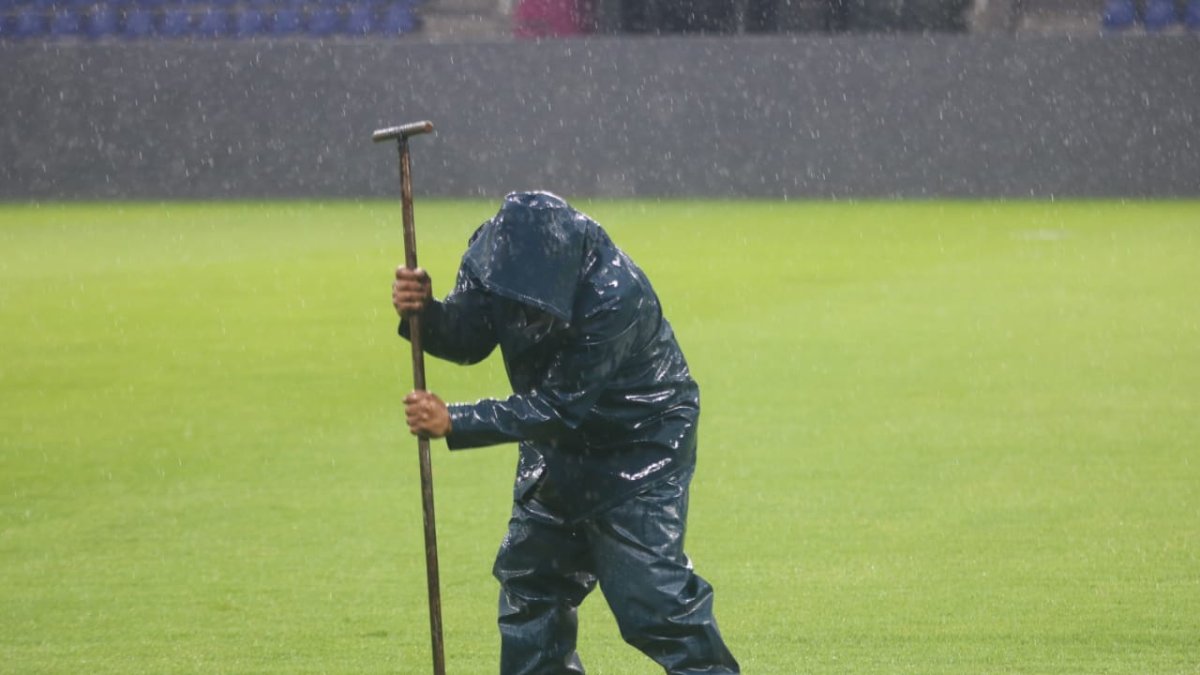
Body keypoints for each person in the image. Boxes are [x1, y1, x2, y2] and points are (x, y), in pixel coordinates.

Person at [393, 191, 740, 675]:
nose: (525, 318)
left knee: (653, 601)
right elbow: (469, 338)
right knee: (532, 583)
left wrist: (456, 421)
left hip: (637, 443)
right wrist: (425, 312)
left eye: (535, 309)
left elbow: (559, 406)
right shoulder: (494, 259)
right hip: (556, 445)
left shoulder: (616, 296)